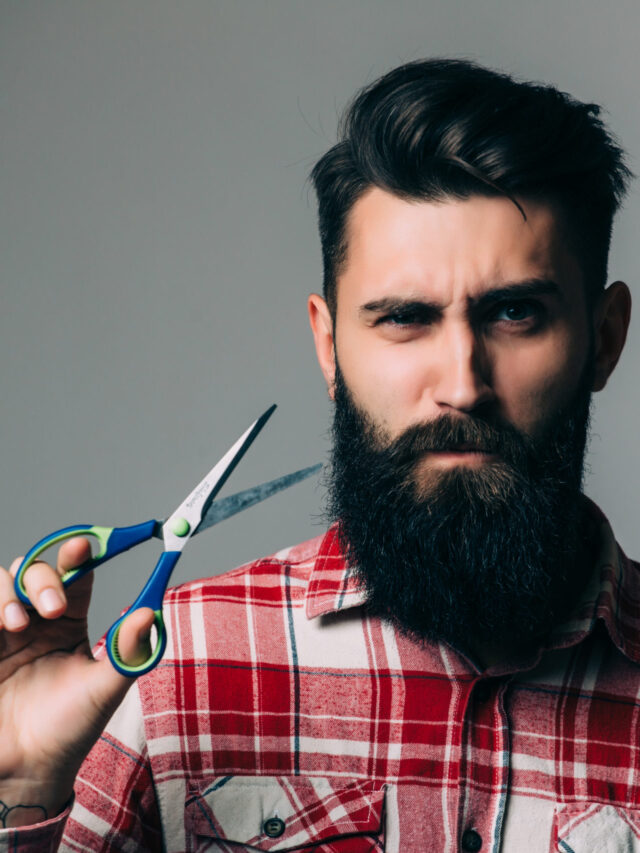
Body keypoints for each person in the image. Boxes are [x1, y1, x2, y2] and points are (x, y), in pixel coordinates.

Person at [0, 58, 635, 852]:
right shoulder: (168, 683)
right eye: (404, 317)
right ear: (329, 346)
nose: (461, 386)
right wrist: (23, 792)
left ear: (604, 338)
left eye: (515, 313)